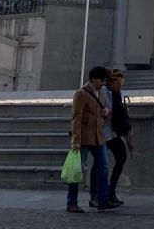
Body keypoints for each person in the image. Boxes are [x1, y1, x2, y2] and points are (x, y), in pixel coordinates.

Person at [66, 66, 110, 213]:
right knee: (78, 170)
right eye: (101, 80)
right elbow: (76, 118)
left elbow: (103, 112)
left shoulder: (102, 93)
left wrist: (106, 112)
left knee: (103, 167)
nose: (103, 83)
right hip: (84, 137)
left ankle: (101, 199)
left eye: (104, 80)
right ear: (92, 79)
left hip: (98, 137)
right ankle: (72, 202)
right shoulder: (81, 94)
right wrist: (76, 140)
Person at [103, 70, 132, 209]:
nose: (119, 86)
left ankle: (111, 191)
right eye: (117, 83)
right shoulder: (103, 92)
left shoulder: (116, 93)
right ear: (110, 81)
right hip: (103, 133)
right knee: (100, 164)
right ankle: (98, 194)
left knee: (121, 157)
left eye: (121, 84)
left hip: (114, 133)